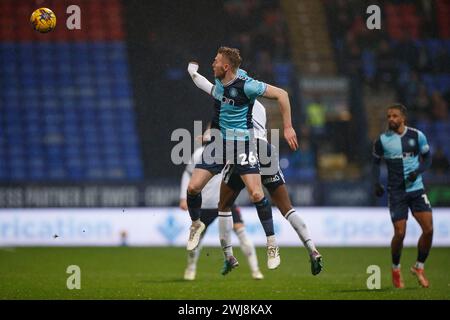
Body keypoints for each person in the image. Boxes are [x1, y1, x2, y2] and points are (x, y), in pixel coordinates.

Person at [188, 63, 323, 276]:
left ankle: (229, 256)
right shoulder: (257, 105)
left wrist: (209, 138)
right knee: (287, 207)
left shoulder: (235, 101)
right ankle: (312, 250)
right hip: (265, 150)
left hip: (244, 149)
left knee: (224, 205)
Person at [180, 142, 264, 280]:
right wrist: (183, 197)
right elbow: (187, 174)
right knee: (197, 238)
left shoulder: (232, 150)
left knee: (241, 232)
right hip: (205, 204)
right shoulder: (199, 153)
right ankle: (191, 268)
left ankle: (256, 270)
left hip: (226, 201)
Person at [372, 103, 433, 288]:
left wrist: (418, 171)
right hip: (396, 191)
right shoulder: (382, 140)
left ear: (403, 118)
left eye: (394, 116)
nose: (391, 119)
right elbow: (375, 163)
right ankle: (396, 268)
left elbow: (428, 158)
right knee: (400, 233)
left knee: (429, 230)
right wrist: (376, 183)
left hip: (416, 189)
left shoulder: (417, 136)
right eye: (389, 116)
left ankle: (419, 267)